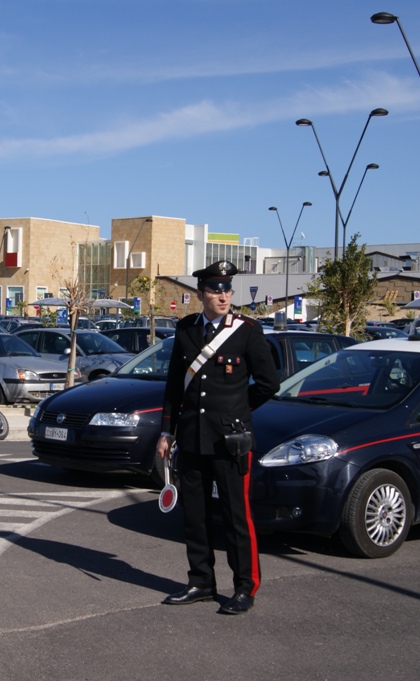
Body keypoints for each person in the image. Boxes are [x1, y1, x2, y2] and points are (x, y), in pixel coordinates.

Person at [156, 260, 280, 615]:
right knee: (195, 515)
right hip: (193, 438)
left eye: (227, 289)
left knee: (236, 516)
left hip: (230, 440)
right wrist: (167, 431)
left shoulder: (247, 331)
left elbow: (270, 384)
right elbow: (174, 386)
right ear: (201, 294)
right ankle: (201, 581)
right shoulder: (186, 330)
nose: (223, 295)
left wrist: (238, 412)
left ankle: (245, 586)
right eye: (215, 290)